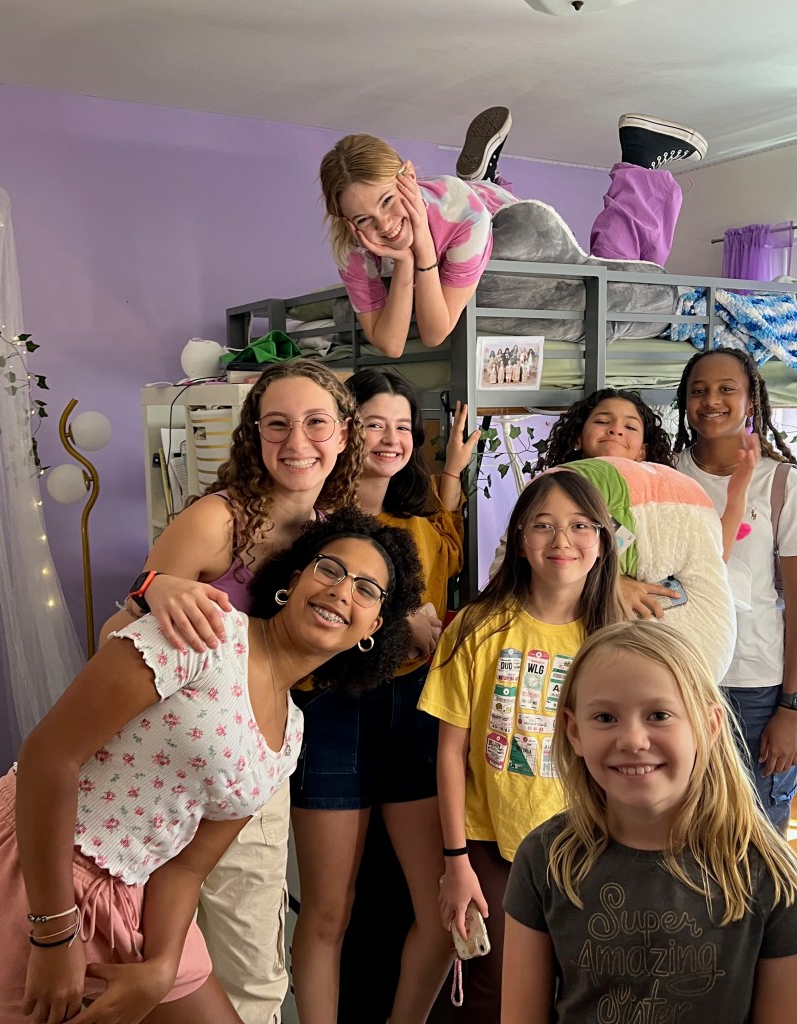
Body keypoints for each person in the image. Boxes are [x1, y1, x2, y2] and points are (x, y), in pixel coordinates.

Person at [0, 510, 424, 1024]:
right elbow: (49, 755)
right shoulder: (205, 632)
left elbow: (186, 866)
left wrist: (162, 966)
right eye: (330, 569)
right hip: (29, 864)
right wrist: (53, 931)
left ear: (373, 628)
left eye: (366, 589)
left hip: (131, 896)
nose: (341, 591)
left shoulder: (290, 734)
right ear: (294, 581)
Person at [98, 360, 365, 1023]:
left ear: (343, 434)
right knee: (136, 940)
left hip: (255, 766)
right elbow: (117, 637)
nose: (297, 442)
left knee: (251, 957)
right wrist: (153, 591)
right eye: (277, 424)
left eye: (316, 423)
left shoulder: (334, 530)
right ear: (254, 435)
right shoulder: (219, 520)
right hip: (168, 768)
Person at [502, 621, 797, 1024]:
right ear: (574, 730)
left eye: (658, 715)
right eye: (605, 717)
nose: (633, 740)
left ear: (709, 726)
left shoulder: (770, 875)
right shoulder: (544, 859)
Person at [288, 370, 479, 1024]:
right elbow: (301, 623)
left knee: (440, 910)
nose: (391, 438)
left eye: (403, 427)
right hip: (333, 710)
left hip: (415, 712)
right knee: (328, 911)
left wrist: (450, 473)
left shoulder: (417, 524)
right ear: (346, 431)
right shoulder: (311, 521)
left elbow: (447, 563)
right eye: (375, 424)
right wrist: (400, 621)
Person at [418, 471, 623, 1022]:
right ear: (518, 538)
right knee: (496, 985)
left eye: (580, 526)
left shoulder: (615, 639)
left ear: (602, 541)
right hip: (490, 843)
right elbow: (449, 753)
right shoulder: (476, 628)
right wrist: (456, 861)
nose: (562, 540)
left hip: (589, 844)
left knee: (578, 984)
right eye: (543, 525)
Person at [319, 107, 707, 357]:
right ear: (346, 220)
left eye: (388, 200)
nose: (383, 225)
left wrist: (421, 247)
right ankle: (485, 178)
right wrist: (406, 261)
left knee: (611, 275)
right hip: (477, 219)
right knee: (602, 277)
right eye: (363, 219)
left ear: (408, 174)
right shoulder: (352, 247)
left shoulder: (456, 209)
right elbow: (390, 344)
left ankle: (640, 161)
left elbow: (435, 333)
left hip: (503, 221)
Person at [673, 347, 797, 834]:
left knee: (758, 834)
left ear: (751, 400)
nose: (711, 401)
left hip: (755, 687)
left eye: (726, 389)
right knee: (683, 825)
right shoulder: (666, 476)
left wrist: (790, 709)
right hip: (680, 677)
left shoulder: (784, 484)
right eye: (698, 391)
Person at [493, 387, 684, 619]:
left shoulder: (664, 502)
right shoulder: (549, 491)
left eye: (630, 427)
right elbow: (503, 568)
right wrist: (611, 584)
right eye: (602, 421)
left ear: (643, 451)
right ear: (577, 438)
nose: (615, 430)